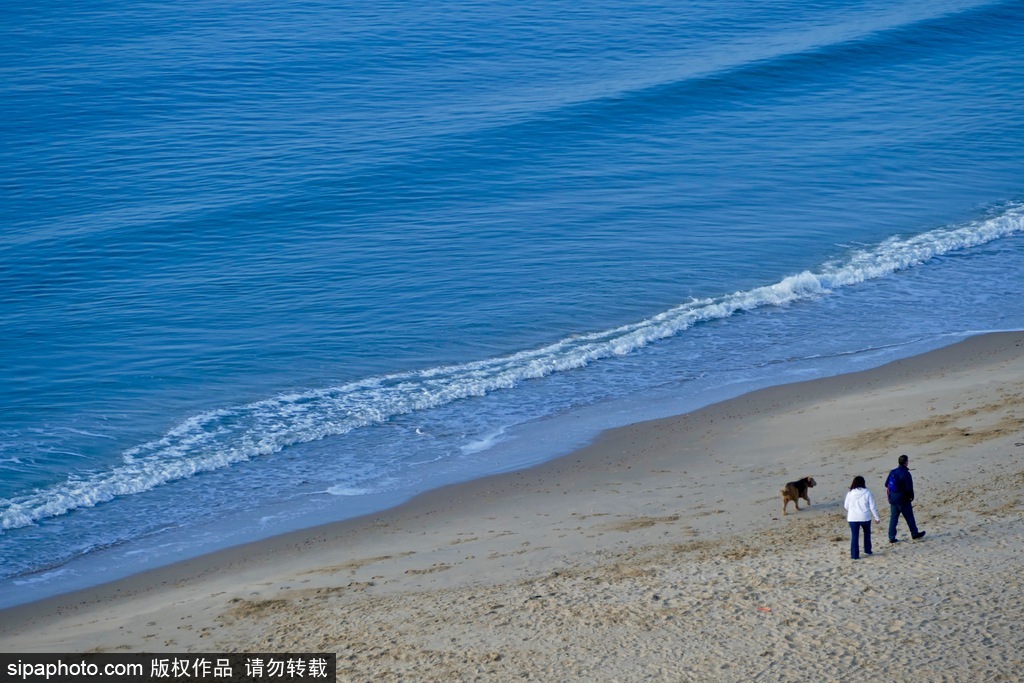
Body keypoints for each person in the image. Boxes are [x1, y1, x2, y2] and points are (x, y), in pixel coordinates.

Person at [886, 454, 925, 543]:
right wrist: (911, 497)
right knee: (909, 517)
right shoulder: (906, 473)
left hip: (893, 500)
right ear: (906, 463)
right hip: (903, 500)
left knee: (893, 518)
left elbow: (886, 484)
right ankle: (914, 533)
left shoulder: (892, 471)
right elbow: (909, 488)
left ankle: (891, 537)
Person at [844, 476, 880, 560]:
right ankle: (867, 550)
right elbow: (872, 507)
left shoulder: (850, 493)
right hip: (865, 517)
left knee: (854, 536)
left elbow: (846, 506)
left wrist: (853, 510)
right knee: (867, 533)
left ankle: (854, 555)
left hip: (852, 518)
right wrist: (876, 517)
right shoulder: (867, 492)